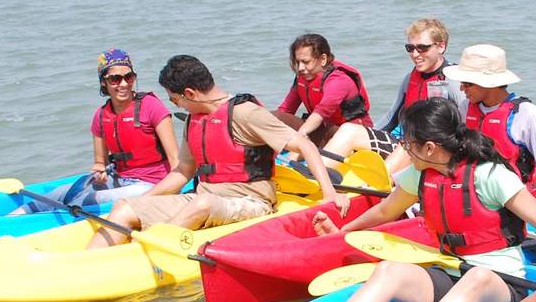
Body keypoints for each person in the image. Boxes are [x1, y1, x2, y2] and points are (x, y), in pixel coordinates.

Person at [300, 97, 536, 302]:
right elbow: (384, 211)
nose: (403, 150)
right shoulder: (421, 173)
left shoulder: (489, 175)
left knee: (478, 277)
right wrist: (343, 231)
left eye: (407, 144)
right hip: (450, 272)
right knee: (389, 270)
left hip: (502, 282)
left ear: (429, 147)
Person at [87, 54, 345, 248]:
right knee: (123, 207)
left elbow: (304, 144)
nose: (177, 105)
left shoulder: (245, 113)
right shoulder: (195, 119)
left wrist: (329, 194)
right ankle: (86, 264)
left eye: (175, 100)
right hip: (204, 199)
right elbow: (183, 171)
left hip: (251, 203)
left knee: (202, 203)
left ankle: (142, 252)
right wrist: (145, 201)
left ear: (189, 93)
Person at [18, 49, 179, 213]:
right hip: (119, 179)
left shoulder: (151, 106)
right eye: (115, 79)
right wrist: (99, 173)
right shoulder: (101, 116)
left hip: (150, 183)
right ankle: (10, 218)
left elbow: (176, 161)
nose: (123, 84)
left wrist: (173, 196)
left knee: (84, 200)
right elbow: (100, 164)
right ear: (104, 81)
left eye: (128, 77)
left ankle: (58, 221)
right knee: (61, 193)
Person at [321, 18, 463, 168]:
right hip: (404, 144)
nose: (415, 54)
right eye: (410, 48)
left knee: (408, 144)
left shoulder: (453, 80)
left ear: (441, 46)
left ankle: (378, 184)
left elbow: (466, 123)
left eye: (422, 48)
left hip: (431, 150)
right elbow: (391, 119)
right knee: (349, 130)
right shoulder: (410, 79)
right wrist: (367, 137)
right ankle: (316, 176)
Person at [444, 44, 536, 207]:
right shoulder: (465, 107)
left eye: (467, 83)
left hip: (511, 198)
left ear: (488, 83)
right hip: (471, 191)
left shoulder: (525, 113)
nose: (461, 88)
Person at [274, 33, 373, 150]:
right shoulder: (302, 79)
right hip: (323, 131)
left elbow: (321, 113)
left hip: (352, 138)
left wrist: (300, 137)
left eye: (306, 62)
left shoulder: (339, 80)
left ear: (323, 59)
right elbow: (286, 110)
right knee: (275, 117)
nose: (300, 68)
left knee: (304, 132)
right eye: (297, 62)